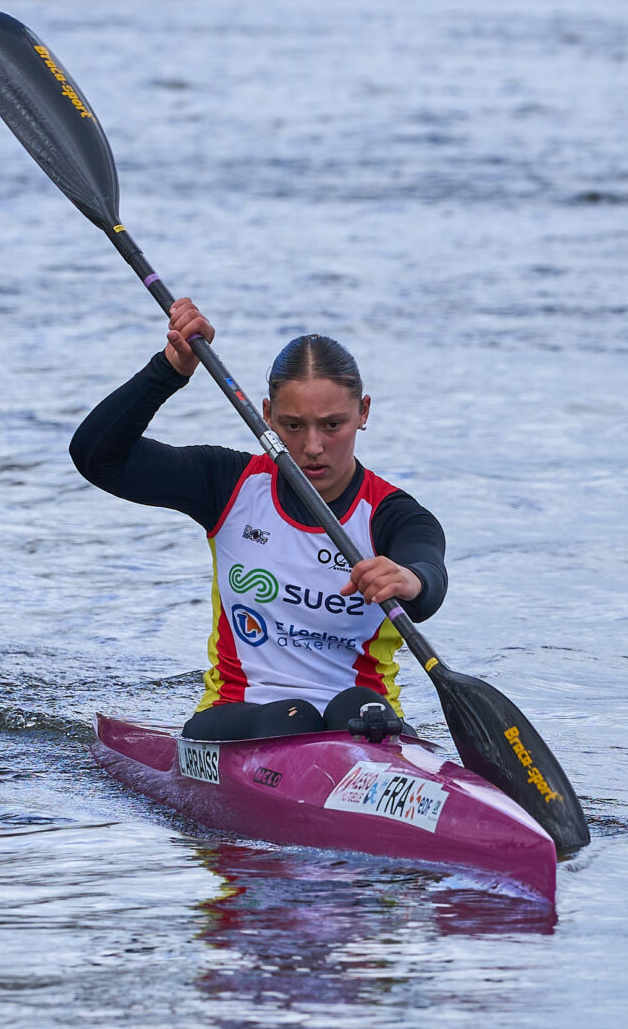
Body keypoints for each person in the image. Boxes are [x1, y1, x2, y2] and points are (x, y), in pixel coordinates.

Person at [70, 300, 448, 742]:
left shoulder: (394, 516)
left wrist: (408, 580)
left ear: (363, 413)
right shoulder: (228, 485)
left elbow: (429, 579)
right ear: (265, 415)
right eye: (291, 425)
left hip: (365, 723)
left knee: (355, 709)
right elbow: (96, 457)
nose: (312, 446)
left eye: (332, 425)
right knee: (295, 717)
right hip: (240, 716)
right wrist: (168, 371)